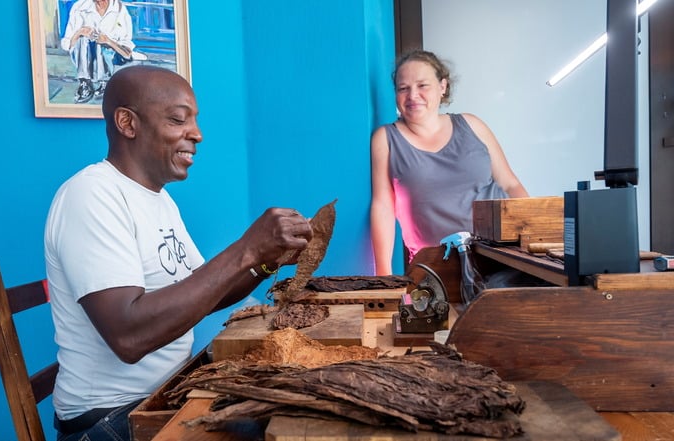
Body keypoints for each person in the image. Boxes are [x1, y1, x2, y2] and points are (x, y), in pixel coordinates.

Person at [44, 65, 313, 441]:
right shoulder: (91, 195)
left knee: (297, 403)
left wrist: (266, 260)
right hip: (109, 420)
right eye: (177, 120)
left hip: (163, 392)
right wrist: (246, 249)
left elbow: (205, 293)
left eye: (195, 122)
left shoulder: (159, 200)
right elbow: (129, 337)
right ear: (127, 122)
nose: (197, 135)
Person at [370, 49, 528, 275]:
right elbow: (383, 207)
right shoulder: (385, 138)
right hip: (436, 266)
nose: (413, 95)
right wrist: (383, 275)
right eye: (403, 88)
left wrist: (533, 241)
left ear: (442, 87)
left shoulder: (472, 125)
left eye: (422, 85)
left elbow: (510, 184)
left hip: (502, 254)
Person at [60, 0, 135, 103]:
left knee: (101, 41)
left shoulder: (119, 10)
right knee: (83, 39)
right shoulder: (80, 7)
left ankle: (104, 82)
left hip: (109, 57)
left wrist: (108, 41)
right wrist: (79, 33)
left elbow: (127, 52)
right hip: (85, 55)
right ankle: (84, 82)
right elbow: (67, 44)